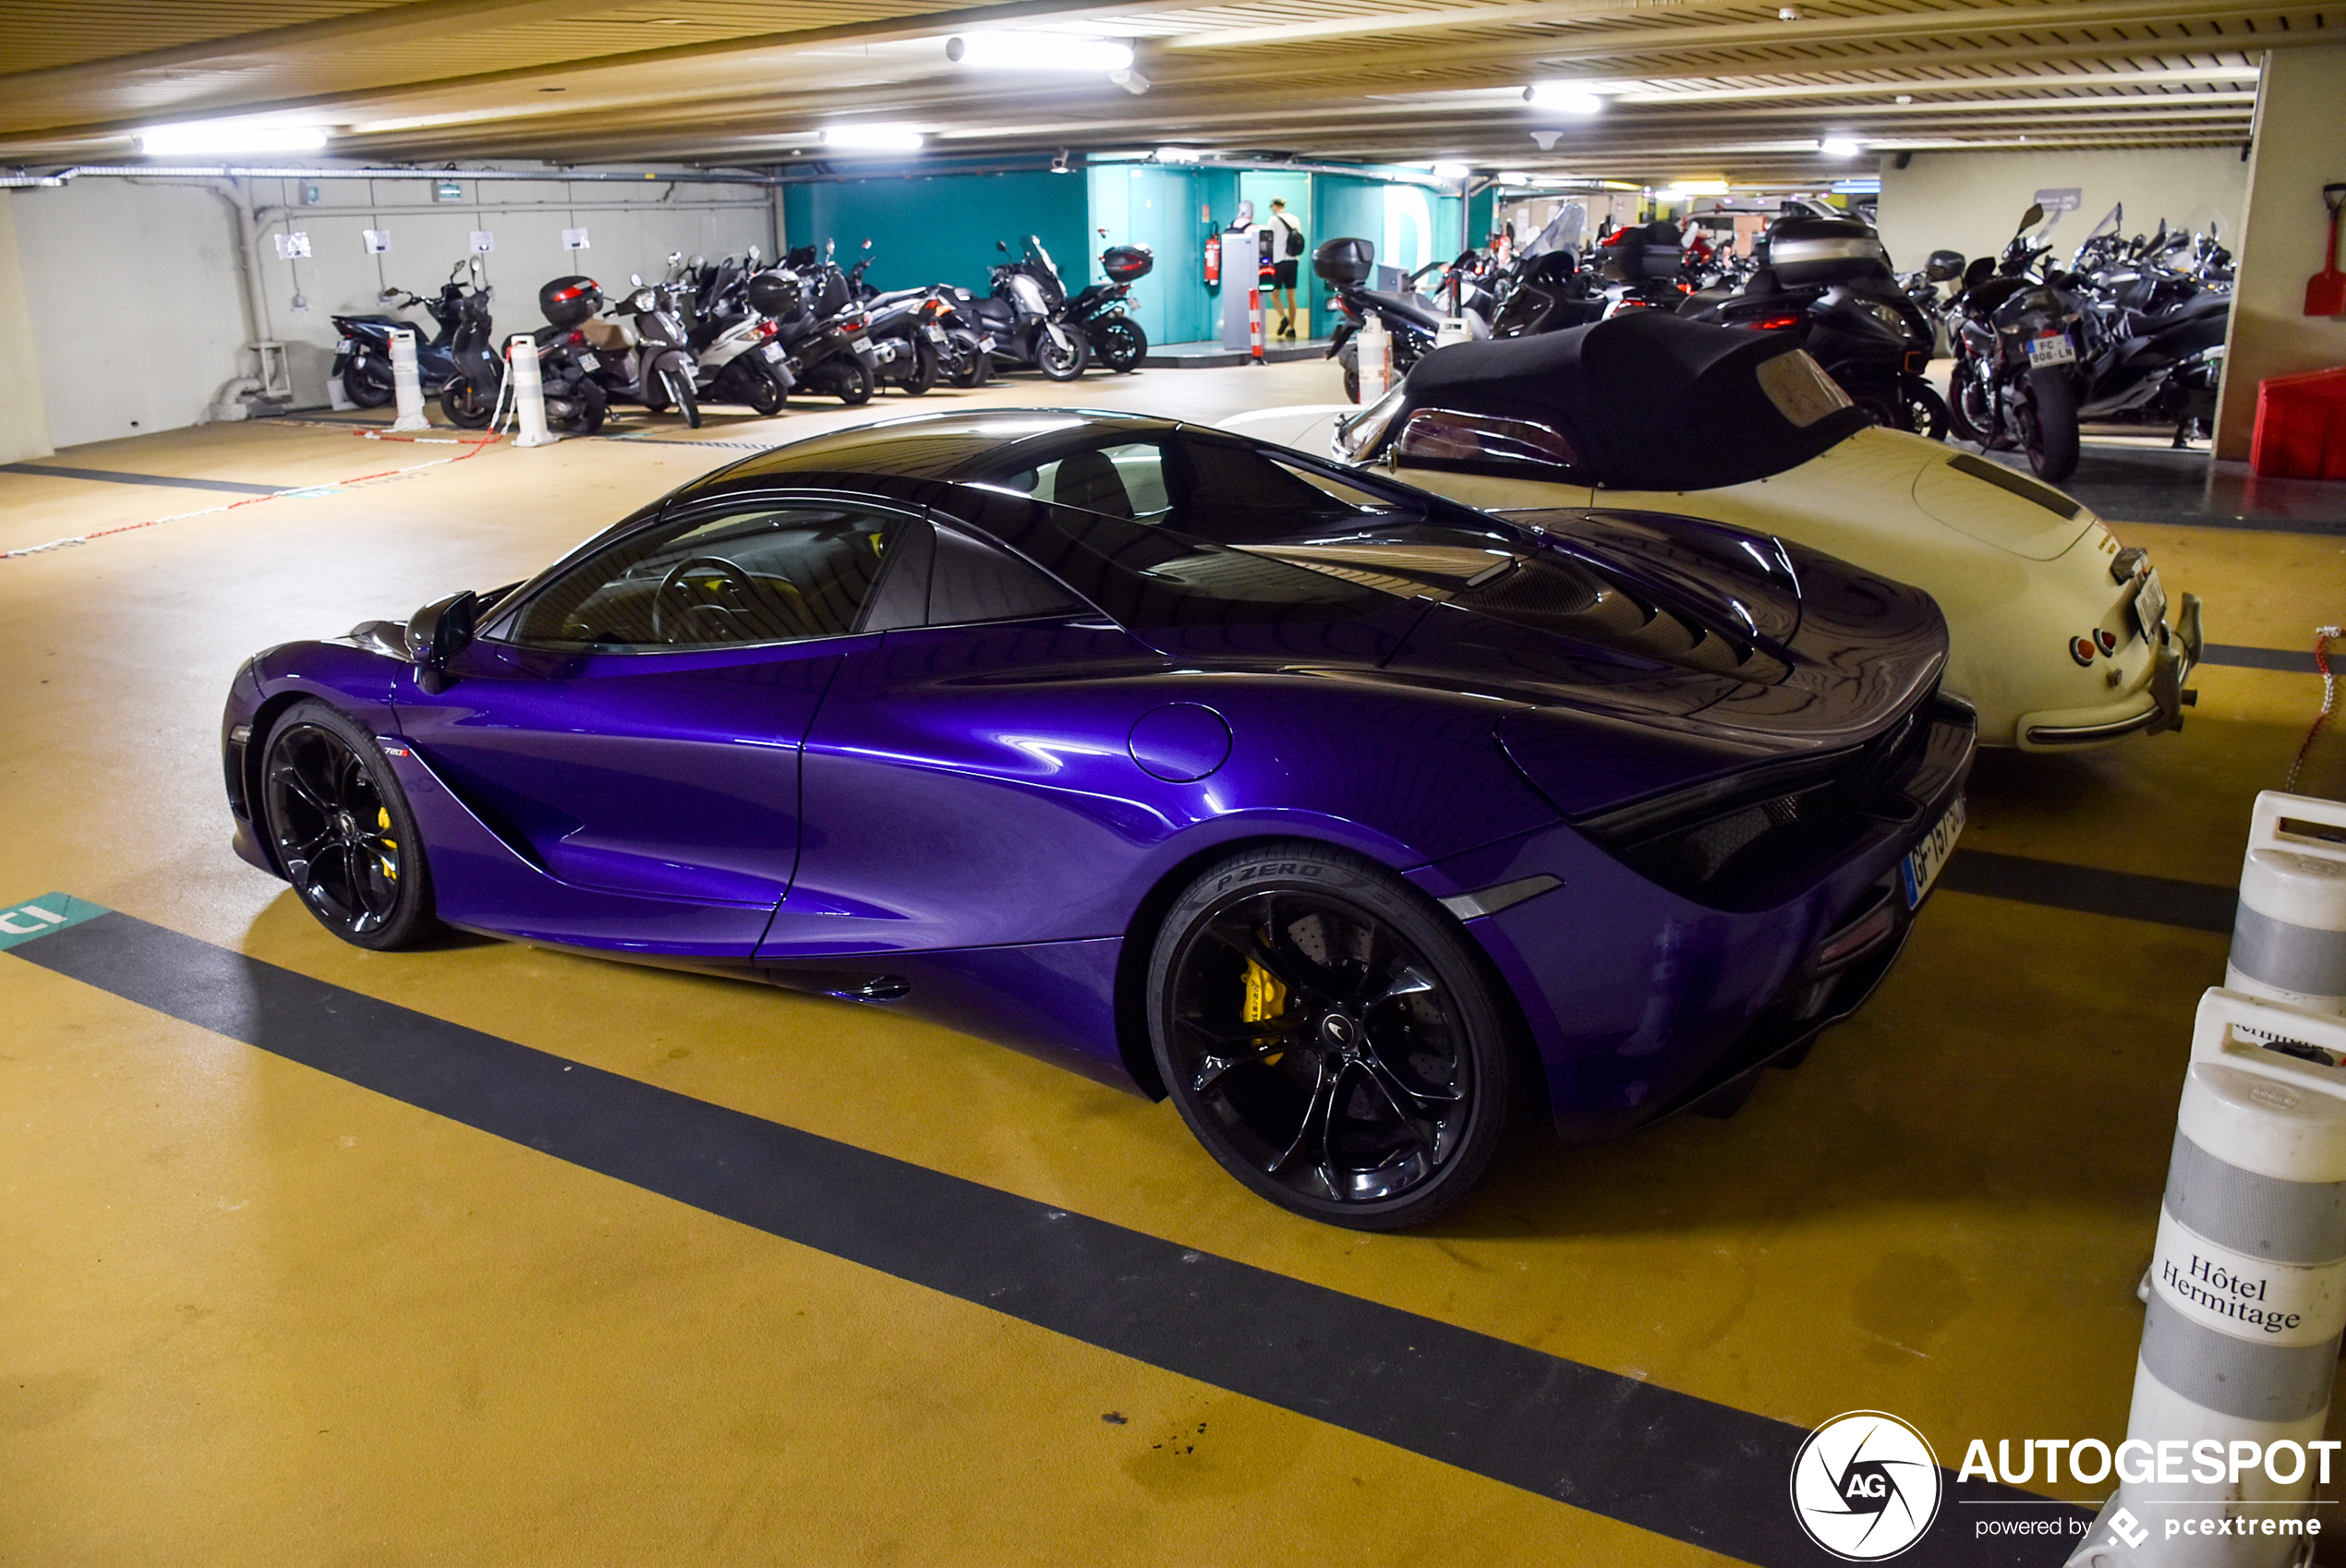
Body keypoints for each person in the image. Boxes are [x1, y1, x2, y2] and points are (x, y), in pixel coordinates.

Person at [1265, 198, 1305, 339]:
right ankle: (1292, 328)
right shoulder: (1295, 219)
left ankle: (1283, 317)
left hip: (1279, 261)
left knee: (1274, 295)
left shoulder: (1273, 220)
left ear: (1275, 206)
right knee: (1291, 297)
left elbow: (1268, 240)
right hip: (1293, 261)